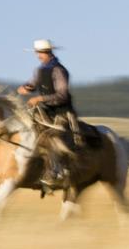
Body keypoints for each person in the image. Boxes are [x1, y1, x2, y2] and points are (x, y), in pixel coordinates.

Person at [17, 39, 82, 189]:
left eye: (40, 52)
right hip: (45, 111)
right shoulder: (40, 70)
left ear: (47, 53)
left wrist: (40, 98)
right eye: (37, 52)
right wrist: (26, 88)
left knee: (52, 137)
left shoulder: (59, 70)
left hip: (61, 112)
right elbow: (32, 84)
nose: (38, 55)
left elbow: (62, 95)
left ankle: (57, 171)